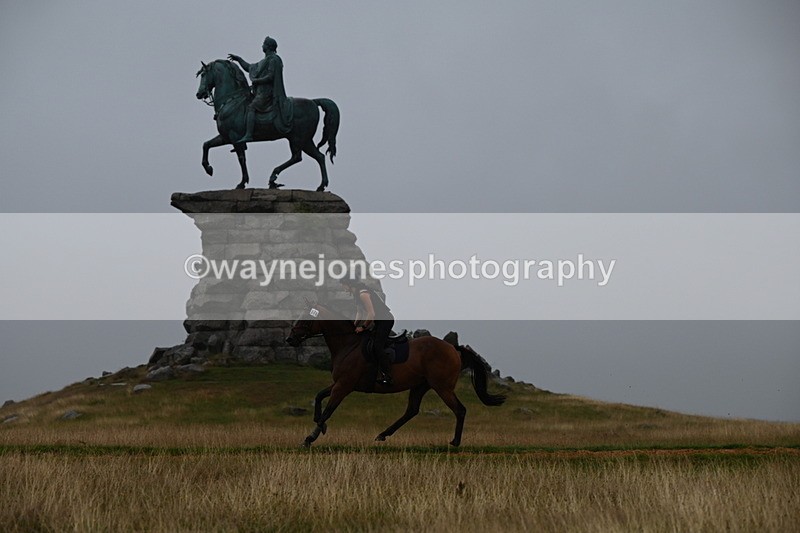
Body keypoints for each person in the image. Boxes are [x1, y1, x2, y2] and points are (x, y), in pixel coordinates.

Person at [228, 36, 293, 142]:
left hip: (267, 93)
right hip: (259, 92)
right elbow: (249, 67)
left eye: (264, 44)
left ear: (268, 46)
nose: (262, 45)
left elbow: (271, 76)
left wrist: (257, 81)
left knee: (251, 107)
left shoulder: (274, 59)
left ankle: (249, 134)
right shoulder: (264, 61)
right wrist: (239, 59)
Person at [341, 278, 395, 386]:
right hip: (379, 322)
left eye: (343, 285)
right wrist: (353, 326)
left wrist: (363, 327)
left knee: (377, 346)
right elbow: (359, 313)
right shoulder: (356, 295)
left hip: (385, 321)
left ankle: (388, 375)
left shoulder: (363, 294)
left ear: (348, 284)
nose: (343, 288)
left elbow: (371, 314)